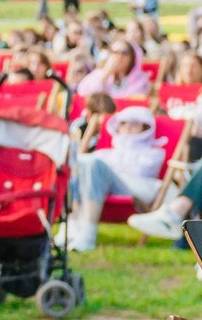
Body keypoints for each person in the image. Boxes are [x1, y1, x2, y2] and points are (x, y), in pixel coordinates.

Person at [69, 105, 166, 251]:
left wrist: (106, 172)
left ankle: (88, 234)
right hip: (104, 188)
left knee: (93, 164)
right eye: (123, 123)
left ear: (145, 128)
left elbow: (139, 171)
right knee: (81, 163)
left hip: (134, 189)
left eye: (134, 124)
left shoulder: (153, 153)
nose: (127, 127)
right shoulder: (106, 153)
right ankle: (72, 227)